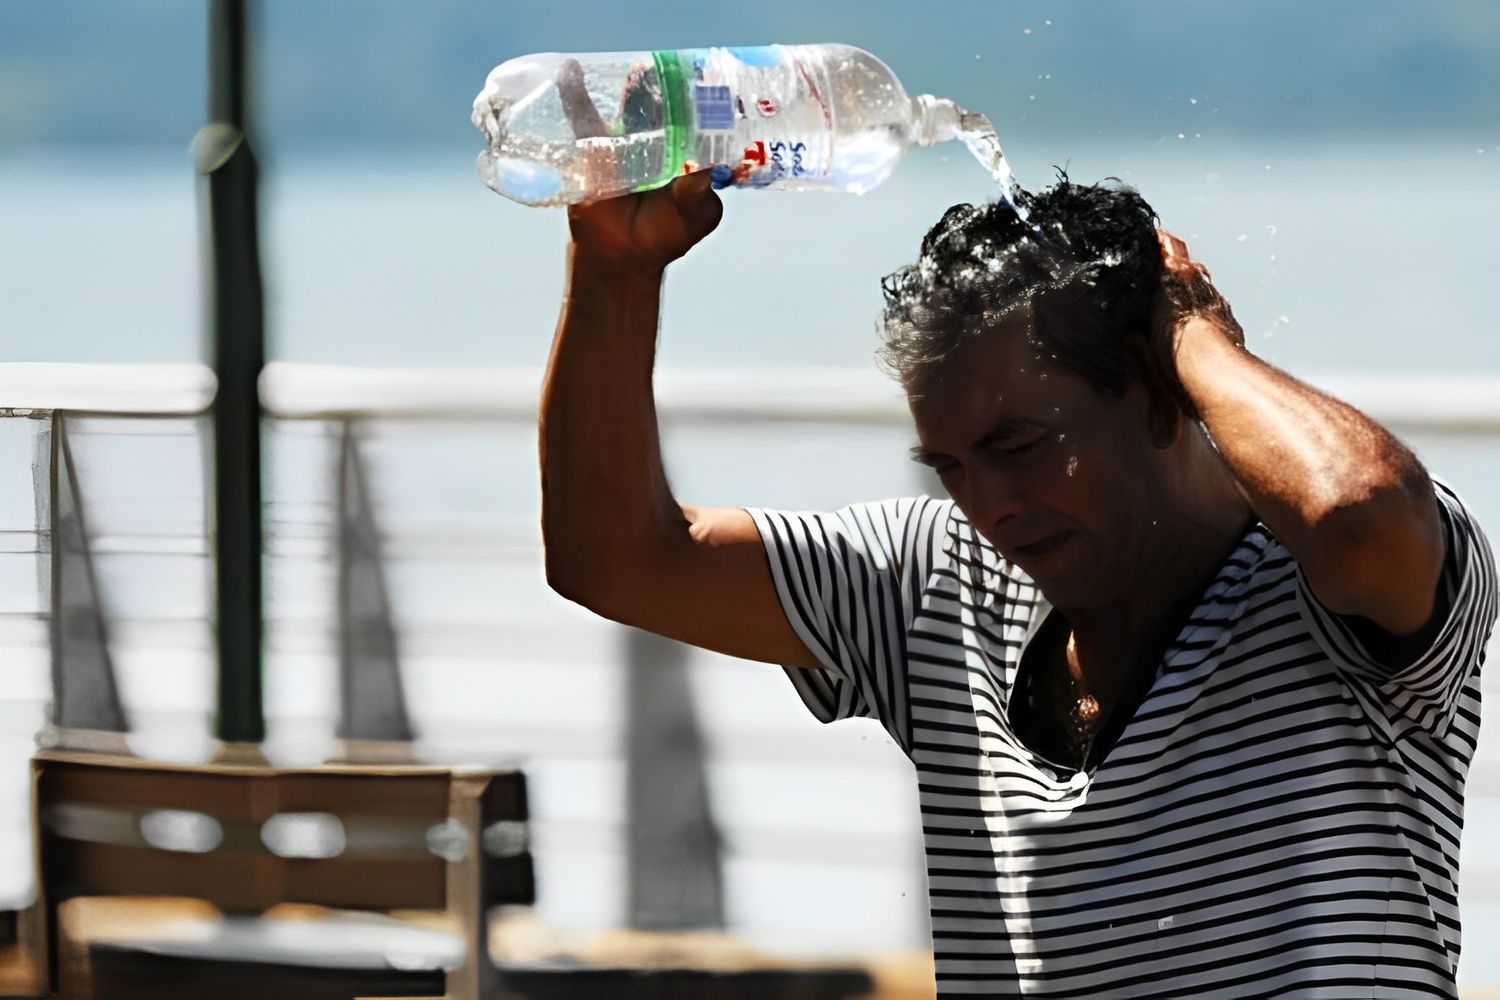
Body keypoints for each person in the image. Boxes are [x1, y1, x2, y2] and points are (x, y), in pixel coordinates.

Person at [539, 169, 1496, 997]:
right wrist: (616, 273)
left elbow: (1359, 512)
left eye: (1021, 446)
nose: (987, 508)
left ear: (1158, 392)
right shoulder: (931, 583)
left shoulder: (1325, 591)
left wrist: (1195, 332)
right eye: (951, 466)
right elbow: (614, 559)